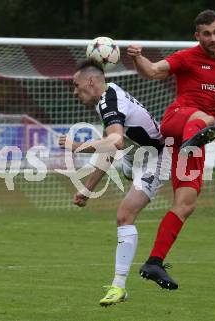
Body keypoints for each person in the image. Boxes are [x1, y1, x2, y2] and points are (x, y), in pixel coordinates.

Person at [127, 9, 215, 290]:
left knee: (186, 204)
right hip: (178, 120)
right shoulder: (186, 57)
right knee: (206, 119)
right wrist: (137, 57)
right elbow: (152, 71)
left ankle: (154, 262)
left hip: (192, 140)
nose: (213, 38)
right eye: (206, 34)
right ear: (197, 36)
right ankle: (192, 142)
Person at [59, 58, 169, 306]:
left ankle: (119, 287)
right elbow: (110, 151)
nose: (75, 92)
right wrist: (87, 189)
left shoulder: (109, 101)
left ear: (90, 81)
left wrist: (76, 146)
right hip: (137, 158)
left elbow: (116, 142)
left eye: (76, 86)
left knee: (124, 214)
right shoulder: (109, 98)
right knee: (125, 169)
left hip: (158, 159)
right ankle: (118, 287)